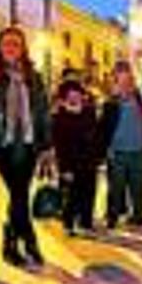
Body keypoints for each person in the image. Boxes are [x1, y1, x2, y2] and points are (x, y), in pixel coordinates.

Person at [0, 27, 53, 269]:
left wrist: (46, 146)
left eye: (16, 44)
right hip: (4, 145)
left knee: (18, 195)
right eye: (7, 43)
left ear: (23, 49)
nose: (12, 47)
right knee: (19, 194)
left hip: (30, 145)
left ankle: (10, 242)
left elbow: (43, 113)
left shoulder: (34, 77)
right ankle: (30, 242)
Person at [100, 61, 142, 229]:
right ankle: (112, 216)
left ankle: (138, 215)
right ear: (116, 82)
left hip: (139, 151)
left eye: (128, 81)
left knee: (138, 186)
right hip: (118, 152)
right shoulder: (110, 103)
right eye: (122, 81)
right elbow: (104, 128)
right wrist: (106, 149)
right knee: (115, 188)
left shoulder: (140, 102)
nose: (126, 84)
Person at [52, 80, 103, 236]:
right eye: (71, 95)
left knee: (89, 193)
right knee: (72, 195)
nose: (75, 98)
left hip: (89, 160)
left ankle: (86, 223)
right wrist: (64, 168)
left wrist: (98, 157)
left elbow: (97, 136)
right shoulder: (59, 116)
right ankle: (69, 223)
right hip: (71, 162)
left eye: (78, 94)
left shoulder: (89, 112)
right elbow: (59, 145)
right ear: (65, 97)